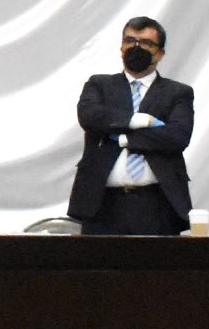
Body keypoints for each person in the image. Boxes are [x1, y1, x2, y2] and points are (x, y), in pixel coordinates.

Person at [67, 18, 194, 235]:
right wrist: (138, 121)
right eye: (130, 41)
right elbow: (89, 116)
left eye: (145, 43)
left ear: (160, 53)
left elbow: (177, 136)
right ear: (121, 47)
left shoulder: (177, 92)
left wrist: (125, 138)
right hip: (102, 203)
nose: (136, 47)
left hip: (157, 203)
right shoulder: (100, 84)